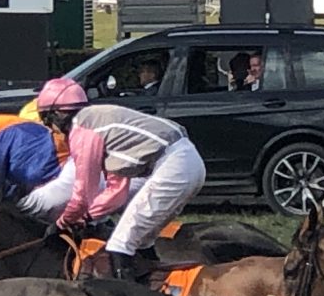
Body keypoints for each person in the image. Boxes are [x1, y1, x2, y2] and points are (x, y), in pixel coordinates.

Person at [32, 78, 204, 280]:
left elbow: (83, 194)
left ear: (58, 113)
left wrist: (61, 223)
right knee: (141, 241)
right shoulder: (101, 124)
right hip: (187, 162)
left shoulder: (82, 130)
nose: (51, 129)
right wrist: (86, 218)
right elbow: (116, 193)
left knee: (119, 244)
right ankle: (157, 289)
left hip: (173, 165)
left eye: (46, 119)